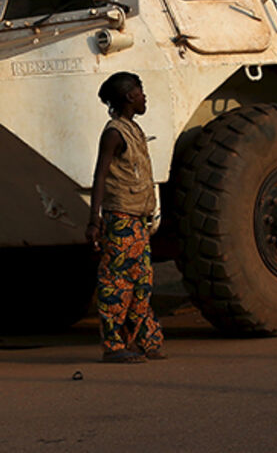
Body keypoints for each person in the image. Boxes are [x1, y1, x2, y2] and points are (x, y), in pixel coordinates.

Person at [89, 72, 165, 364]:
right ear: (129, 96)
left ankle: (144, 340)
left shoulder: (133, 130)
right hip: (121, 219)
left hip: (137, 220)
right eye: (140, 90)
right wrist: (94, 221)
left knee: (142, 282)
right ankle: (114, 345)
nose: (144, 96)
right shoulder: (114, 133)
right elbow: (99, 175)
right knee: (116, 284)